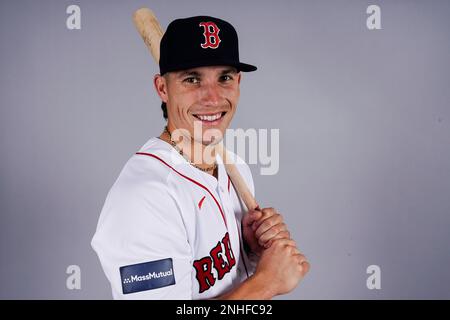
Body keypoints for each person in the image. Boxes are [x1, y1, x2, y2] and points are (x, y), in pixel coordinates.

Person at [91, 15, 309, 299]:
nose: (213, 97)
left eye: (225, 77)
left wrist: (250, 254)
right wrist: (267, 283)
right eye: (192, 79)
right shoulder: (144, 197)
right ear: (162, 89)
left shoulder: (235, 169)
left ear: (239, 82)